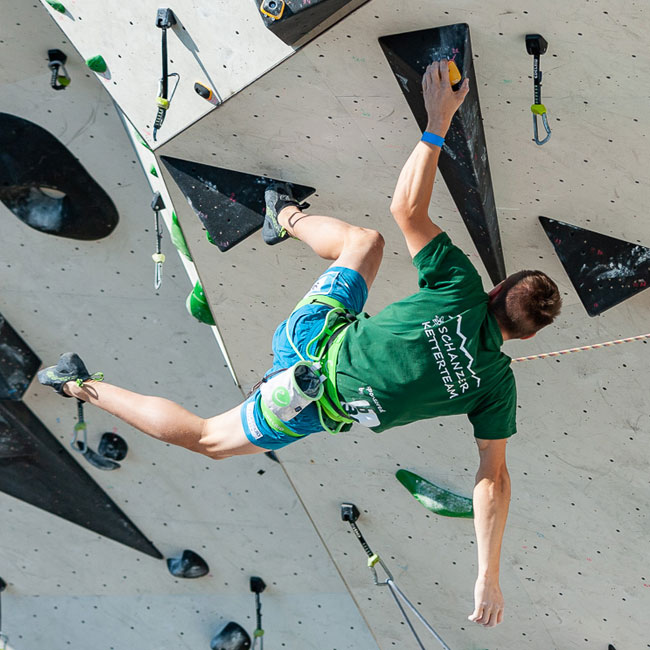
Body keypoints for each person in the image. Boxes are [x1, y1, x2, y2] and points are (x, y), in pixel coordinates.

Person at [39, 61, 561, 628]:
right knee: (209, 439)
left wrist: (438, 119)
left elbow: (405, 209)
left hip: (315, 337)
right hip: (309, 403)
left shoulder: (460, 285)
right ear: (527, 336)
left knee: (364, 242)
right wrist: (487, 574)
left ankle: (283, 214)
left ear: (497, 289)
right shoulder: (495, 386)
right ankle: (77, 384)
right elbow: (494, 478)